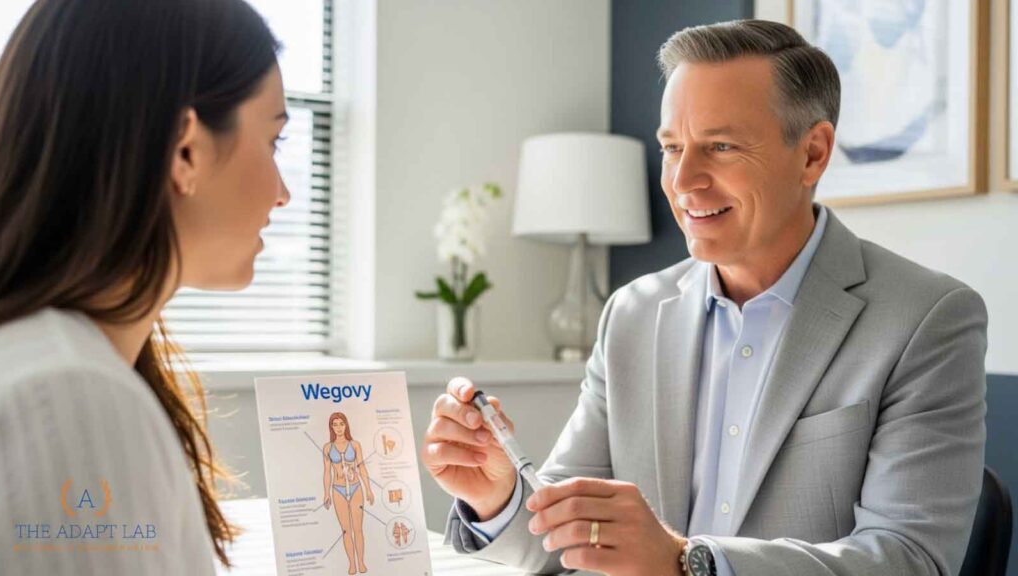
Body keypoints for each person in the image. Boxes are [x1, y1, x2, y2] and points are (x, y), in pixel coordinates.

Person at [422, 19, 987, 576]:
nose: (683, 179)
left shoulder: (927, 319)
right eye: (672, 147)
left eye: (720, 146)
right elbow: (561, 539)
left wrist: (686, 562)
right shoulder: (632, 314)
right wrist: (498, 495)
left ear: (812, 153)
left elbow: (908, 560)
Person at [0, 0, 290, 574]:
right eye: (273, 141)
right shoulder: (70, 399)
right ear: (186, 150)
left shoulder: (53, 366)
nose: (283, 193)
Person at [322, 412, 375, 575]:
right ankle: (352, 563)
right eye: (335, 424)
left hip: (356, 488)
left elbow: (362, 466)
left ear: (346, 425)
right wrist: (326, 494)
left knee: (358, 529)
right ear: (331, 427)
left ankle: (361, 561)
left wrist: (368, 488)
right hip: (337, 490)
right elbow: (326, 472)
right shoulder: (327, 448)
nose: (338, 427)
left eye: (341, 423)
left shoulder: (355, 444)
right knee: (346, 530)